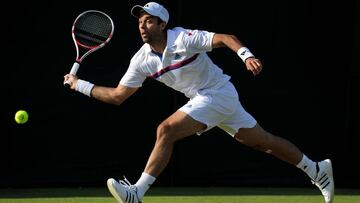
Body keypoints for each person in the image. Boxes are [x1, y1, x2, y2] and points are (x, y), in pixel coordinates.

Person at [63, 2, 334, 203]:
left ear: (162, 24)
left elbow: (225, 38)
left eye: (148, 21)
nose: (142, 26)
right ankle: (316, 168)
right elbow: (117, 96)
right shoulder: (141, 60)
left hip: (217, 93)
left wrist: (246, 55)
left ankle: (137, 192)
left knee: (165, 130)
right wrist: (79, 85)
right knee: (262, 141)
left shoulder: (183, 37)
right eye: (140, 22)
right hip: (208, 99)